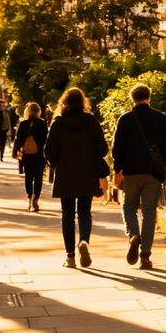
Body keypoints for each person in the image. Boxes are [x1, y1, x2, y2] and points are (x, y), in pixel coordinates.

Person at [112, 82, 166, 270]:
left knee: (129, 206)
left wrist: (118, 169)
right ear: (149, 96)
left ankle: (133, 235)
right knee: (149, 213)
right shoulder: (160, 118)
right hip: (154, 173)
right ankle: (145, 256)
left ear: (132, 98)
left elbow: (118, 147)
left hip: (131, 171)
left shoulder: (125, 119)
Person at [44, 87, 110, 269]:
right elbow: (103, 149)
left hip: (65, 174)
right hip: (87, 173)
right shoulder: (91, 121)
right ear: (83, 102)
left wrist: (57, 163)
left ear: (64, 102)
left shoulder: (58, 123)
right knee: (84, 212)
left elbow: (49, 152)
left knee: (67, 215)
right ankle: (84, 241)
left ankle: (70, 257)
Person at [14, 102, 49, 212]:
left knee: (28, 176)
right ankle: (36, 198)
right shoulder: (42, 123)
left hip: (27, 154)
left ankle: (30, 197)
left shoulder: (23, 123)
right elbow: (45, 140)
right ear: (39, 111)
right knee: (38, 177)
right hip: (39, 154)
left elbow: (19, 139)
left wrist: (16, 151)